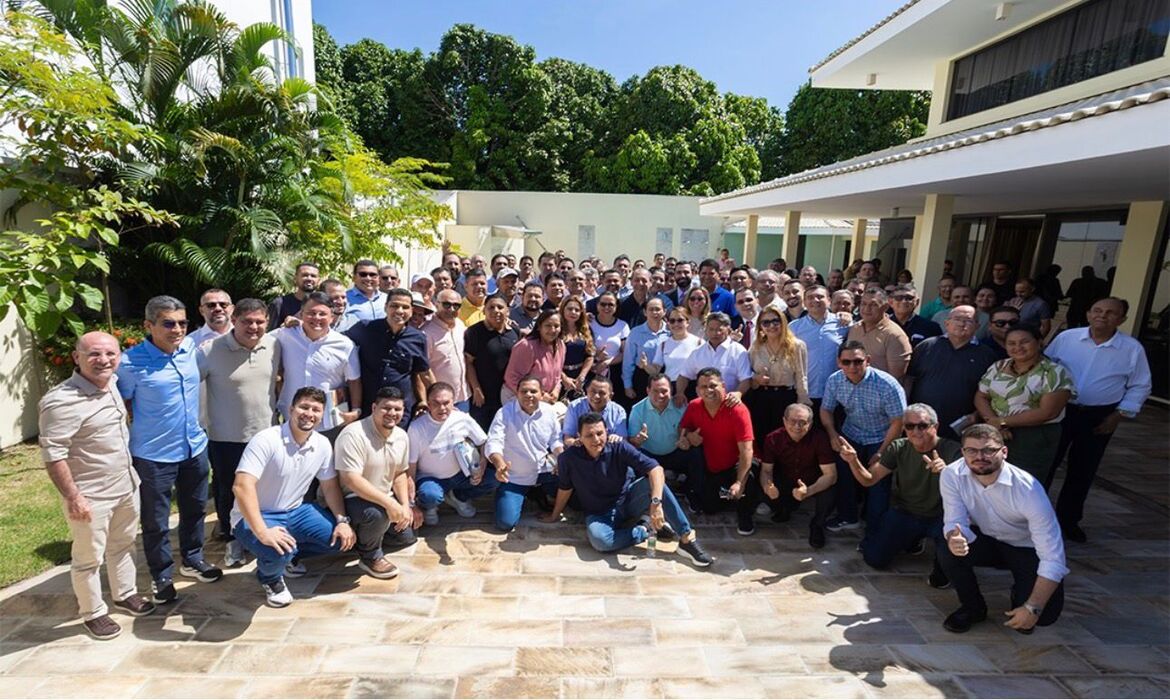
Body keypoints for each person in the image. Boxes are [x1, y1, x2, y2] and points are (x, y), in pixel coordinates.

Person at [39, 331, 156, 639]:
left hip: (125, 485)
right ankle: (93, 612)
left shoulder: (112, 383)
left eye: (110, 354)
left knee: (124, 544)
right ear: (76, 357)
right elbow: (53, 455)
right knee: (88, 558)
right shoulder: (60, 401)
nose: (103, 360)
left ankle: (125, 593)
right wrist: (73, 497)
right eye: (93, 354)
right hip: (90, 495)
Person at [117, 296, 220, 604]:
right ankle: (161, 575)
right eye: (168, 323)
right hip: (153, 455)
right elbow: (119, 403)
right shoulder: (129, 363)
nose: (177, 329)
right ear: (148, 325)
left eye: (182, 323)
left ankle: (192, 559)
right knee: (156, 521)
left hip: (194, 447)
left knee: (195, 509)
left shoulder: (190, 350)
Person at [231, 387, 358, 607]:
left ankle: (288, 556)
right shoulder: (266, 440)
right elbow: (242, 486)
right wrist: (263, 532)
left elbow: (330, 487)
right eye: (304, 407)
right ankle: (270, 577)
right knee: (278, 551)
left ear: (322, 415)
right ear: (291, 409)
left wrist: (342, 520)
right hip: (255, 515)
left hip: (296, 511)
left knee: (340, 541)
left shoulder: (322, 444)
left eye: (316, 409)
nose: (309, 413)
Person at [937, 424, 1067, 634]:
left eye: (988, 450)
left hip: (1026, 548)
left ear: (1004, 452)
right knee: (946, 548)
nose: (980, 457)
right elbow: (954, 520)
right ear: (963, 452)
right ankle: (973, 608)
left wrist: (1032, 607)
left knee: (1044, 616)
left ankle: (1021, 594)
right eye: (972, 450)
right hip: (988, 540)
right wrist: (954, 537)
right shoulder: (951, 474)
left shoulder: (1028, 489)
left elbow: (1054, 559)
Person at [539, 413, 714, 566]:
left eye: (600, 433)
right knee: (601, 541)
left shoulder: (619, 446)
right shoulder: (568, 458)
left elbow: (655, 469)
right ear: (579, 437)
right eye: (589, 435)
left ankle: (686, 539)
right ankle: (644, 529)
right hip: (599, 513)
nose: (596, 439)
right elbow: (565, 488)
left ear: (607, 431)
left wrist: (656, 504)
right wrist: (555, 515)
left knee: (655, 483)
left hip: (628, 501)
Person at [1045, 297, 1151, 542]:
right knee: (1047, 464)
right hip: (1061, 410)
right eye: (1097, 310)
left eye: (1111, 312)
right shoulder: (1067, 338)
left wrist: (1119, 415)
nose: (1102, 315)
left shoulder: (1132, 349)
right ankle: (1034, 519)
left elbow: (1140, 385)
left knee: (1083, 470)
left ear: (1122, 319)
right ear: (1088, 313)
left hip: (1099, 416)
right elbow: (1046, 368)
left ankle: (1068, 521)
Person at [197, 299, 280, 567]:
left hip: (266, 435)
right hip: (225, 437)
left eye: (259, 322)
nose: (253, 327)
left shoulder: (275, 345)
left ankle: (260, 534)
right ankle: (233, 539)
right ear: (234, 321)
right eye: (247, 322)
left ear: (267, 322)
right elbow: (186, 384)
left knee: (264, 489)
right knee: (228, 492)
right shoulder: (210, 350)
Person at [842, 404, 960, 582]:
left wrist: (947, 472)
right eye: (910, 426)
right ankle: (912, 540)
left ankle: (939, 561)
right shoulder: (899, 447)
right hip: (907, 513)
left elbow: (971, 488)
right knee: (874, 559)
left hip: (942, 517)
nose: (916, 431)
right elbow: (869, 479)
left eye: (922, 425)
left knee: (943, 577)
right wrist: (853, 461)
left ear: (935, 427)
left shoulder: (953, 450)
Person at [819, 341, 907, 532]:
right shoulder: (835, 380)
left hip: (882, 437)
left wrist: (882, 452)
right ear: (839, 362)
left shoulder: (887, 384)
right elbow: (826, 409)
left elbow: (898, 422)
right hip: (852, 434)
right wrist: (832, 434)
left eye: (858, 361)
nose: (852, 366)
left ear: (868, 360)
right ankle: (847, 517)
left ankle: (876, 528)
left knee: (878, 483)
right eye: (846, 362)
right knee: (845, 477)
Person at [975, 325, 1074, 480]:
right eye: (1011, 343)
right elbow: (981, 396)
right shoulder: (999, 366)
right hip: (994, 431)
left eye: (1024, 342)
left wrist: (1002, 422)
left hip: (1034, 436)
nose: (1018, 347)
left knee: (1023, 482)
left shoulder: (1054, 372)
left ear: (1039, 342)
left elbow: (1048, 412)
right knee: (988, 478)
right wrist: (993, 422)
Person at [334, 387, 413, 573]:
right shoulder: (353, 434)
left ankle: (363, 538)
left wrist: (405, 505)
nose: (392, 413)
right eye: (386, 408)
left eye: (397, 409)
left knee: (407, 537)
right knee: (377, 515)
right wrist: (390, 504)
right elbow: (351, 479)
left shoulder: (401, 436)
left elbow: (399, 473)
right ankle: (370, 555)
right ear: (374, 407)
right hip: (351, 499)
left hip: (382, 497)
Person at [678, 368, 758, 534]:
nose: (708, 390)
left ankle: (745, 513)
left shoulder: (737, 410)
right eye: (703, 386)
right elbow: (683, 429)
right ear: (697, 390)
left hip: (736, 464)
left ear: (723, 386)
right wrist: (688, 436)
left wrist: (739, 482)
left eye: (713, 385)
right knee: (710, 507)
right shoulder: (694, 406)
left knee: (749, 476)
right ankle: (725, 495)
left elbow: (746, 451)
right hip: (712, 468)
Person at [408, 382, 496, 525]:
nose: (442, 408)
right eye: (436, 403)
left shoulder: (462, 418)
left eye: (446, 403)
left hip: (460, 474)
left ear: (453, 401)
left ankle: (459, 497)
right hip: (430, 478)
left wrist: (482, 465)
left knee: (492, 479)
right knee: (430, 495)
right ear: (428, 403)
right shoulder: (417, 427)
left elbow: (483, 442)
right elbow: (411, 464)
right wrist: (410, 501)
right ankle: (430, 506)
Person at [273, 292, 361, 434]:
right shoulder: (285, 335)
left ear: (332, 317)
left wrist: (356, 410)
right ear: (301, 314)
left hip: (328, 422)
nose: (317, 318)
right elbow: (258, 341)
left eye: (322, 314)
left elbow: (354, 380)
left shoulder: (344, 345)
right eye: (311, 313)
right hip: (291, 418)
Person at [906, 306, 998, 437]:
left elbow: (991, 393)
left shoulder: (987, 355)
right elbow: (909, 379)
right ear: (946, 323)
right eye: (957, 319)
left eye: (968, 320)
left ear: (977, 326)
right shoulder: (926, 346)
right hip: (920, 422)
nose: (961, 324)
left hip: (959, 426)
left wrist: (976, 415)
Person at [486, 376, 564, 531]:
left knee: (572, 495)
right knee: (505, 523)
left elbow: (555, 441)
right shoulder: (504, 413)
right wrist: (499, 464)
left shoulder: (549, 412)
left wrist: (561, 459)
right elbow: (494, 442)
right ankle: (521, 493)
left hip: (543, 470)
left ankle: (537, 491)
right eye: (524, 391)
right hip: (515, 476)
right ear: (517, 393)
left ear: (542, 393)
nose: (529, 395)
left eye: (533, 391)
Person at [346, 288, 431, 424]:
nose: (399, 311)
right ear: (386, 307)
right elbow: (338, 342)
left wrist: (435, 399)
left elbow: (422, 373)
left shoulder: (418, 338)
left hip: (399, 411)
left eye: (405, 307)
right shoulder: (365, 329)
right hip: (368, 407)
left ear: (411, 311)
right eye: (394, 306)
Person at [757, 403, 837, 549]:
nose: (797, 426)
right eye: (793, 421)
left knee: (830, 491)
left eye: (802, 422)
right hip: (786, 479)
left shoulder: (820, 438)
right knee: (765, 490)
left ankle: (817, 525)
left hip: (813, 481)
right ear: (784, 421)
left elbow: (831, 475)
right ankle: (784, 509)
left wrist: (809, 491)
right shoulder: (773, 438)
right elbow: (766, 470)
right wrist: (768, 486)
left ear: (810, 424)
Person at [747, 305, 809, 445]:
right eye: (766, 323)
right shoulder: (756, 347)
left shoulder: (797, 345)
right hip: (761, 398)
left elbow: (801, 376)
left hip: (786, 398)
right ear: (760, 326)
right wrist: (756, 378)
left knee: (785, 441)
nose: (771, 326)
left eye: (775, 321)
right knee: (762, 439)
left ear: (783, 322)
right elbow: (748, 373)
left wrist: (802, 404)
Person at [628, 373, 698, 484]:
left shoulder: (681, 407)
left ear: (671, 390)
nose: (660, 395)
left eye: (664, 391)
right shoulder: (637, 410)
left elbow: (687, 432)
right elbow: (632, 440)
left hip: (675, 452)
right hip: (649, 456)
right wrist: (637, 440)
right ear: (648, 391)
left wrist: (687, 441)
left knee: (696, 453)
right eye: (655, 391)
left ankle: (692, 490)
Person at [465, 294, 521, 431]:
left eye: (500, 307)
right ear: (484, 311)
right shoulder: (474, 332)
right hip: (483, 396)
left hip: (508, 394)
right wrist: (476, 389)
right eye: (491, 307)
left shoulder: (514, 331)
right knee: (482, 434)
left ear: (507, 311)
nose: (496, 311)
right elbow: (469, 363)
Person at [790, 285, 849, 414]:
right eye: (810, 297)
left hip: (836, 394)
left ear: (829, 300)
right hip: (805, 395)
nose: (815, 300)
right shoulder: (793, 328)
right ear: (804, 302)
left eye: (820, 297)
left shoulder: (844, 324)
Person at [675, 312, 751, 407]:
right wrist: (680, 393)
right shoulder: (697, 353)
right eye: (711, 329)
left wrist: (738, 393)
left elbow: (746, 379)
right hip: (704, 405)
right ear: (706, 330)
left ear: (728, 329)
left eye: (719, 330)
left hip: (729, 404)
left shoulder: (738, 351)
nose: (715, 333)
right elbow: (683, 376)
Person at [503, 309, 566, 407]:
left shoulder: (560, 345)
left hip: (545, 400)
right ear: (539, 327)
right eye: (548, 325)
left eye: (556, 326)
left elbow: (557, 376)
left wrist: (556, 391)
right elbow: (511, 378)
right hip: (519, 398)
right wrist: (539, 395)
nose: (552, 330)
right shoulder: (526, 346)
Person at [848, 289, 912, 381]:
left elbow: (895, 378)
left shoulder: (895, 335)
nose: (867, 309)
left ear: (885, 307)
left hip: (878, 389)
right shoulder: (854, 328)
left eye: (873, 305)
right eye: (863, 304)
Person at [422, 289, 469, 411]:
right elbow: (424, 370)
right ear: (436, 304)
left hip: (463, 397)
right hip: (440, 402)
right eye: (447, 304)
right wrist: (436, 395)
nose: (451, 309)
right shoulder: (427, 332)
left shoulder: (460, 325)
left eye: (456, 305)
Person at [622, 297, 669, 403]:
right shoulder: (635, 332)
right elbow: (628, 361)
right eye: (651, 309)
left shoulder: (671, 332)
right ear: (645, 312)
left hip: (666, 375)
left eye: (658, 309)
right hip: (642, 377)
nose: (654, 312)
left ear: (664, 311)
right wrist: (627, 385)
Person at [564, 376, 628, 446]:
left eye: (602, 393)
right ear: (587, 391)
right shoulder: (574, 407)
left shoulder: (619, 411)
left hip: (609, 448)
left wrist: (617, 438)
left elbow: (623, 439)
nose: (596, 396)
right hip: (581, 448)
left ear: (610, 396)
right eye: (593, 392)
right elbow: (567, 437)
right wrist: (575, 442)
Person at [589, 291, 630, 399]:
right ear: (597, 305)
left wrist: (607, 362)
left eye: (611, 304)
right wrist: (596, 356)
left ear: (616, 307)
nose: (606, 307)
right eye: (603, 304)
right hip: (592, 370)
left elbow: (625, 353)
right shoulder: (589, 323)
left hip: (615, 372)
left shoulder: (623, 326)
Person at [649, 306, 703, 386]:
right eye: (672, 321)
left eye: (680, 320)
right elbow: (656, 370)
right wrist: (645, 365)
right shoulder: (663, 345)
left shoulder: (699, 343)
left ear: (688, 322)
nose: (676, 324)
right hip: (670, 387)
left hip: (692, 386)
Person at [558, 296, 595, 401]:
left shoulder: (585, 330)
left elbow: (590, 355)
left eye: (577, 310)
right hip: (559, 378)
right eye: (570, 309)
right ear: (563, 310)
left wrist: (582, 376)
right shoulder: (556, 330)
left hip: (581, 378)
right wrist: (564, 378)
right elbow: (550, 358)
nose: (573, 312)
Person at [267, 262, 320, 330]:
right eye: (305, 275)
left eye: (313, 276)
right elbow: (271, 333)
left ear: (318, 280)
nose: (309, 278)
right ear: (295, 278)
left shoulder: (323, 305)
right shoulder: (280, 303)